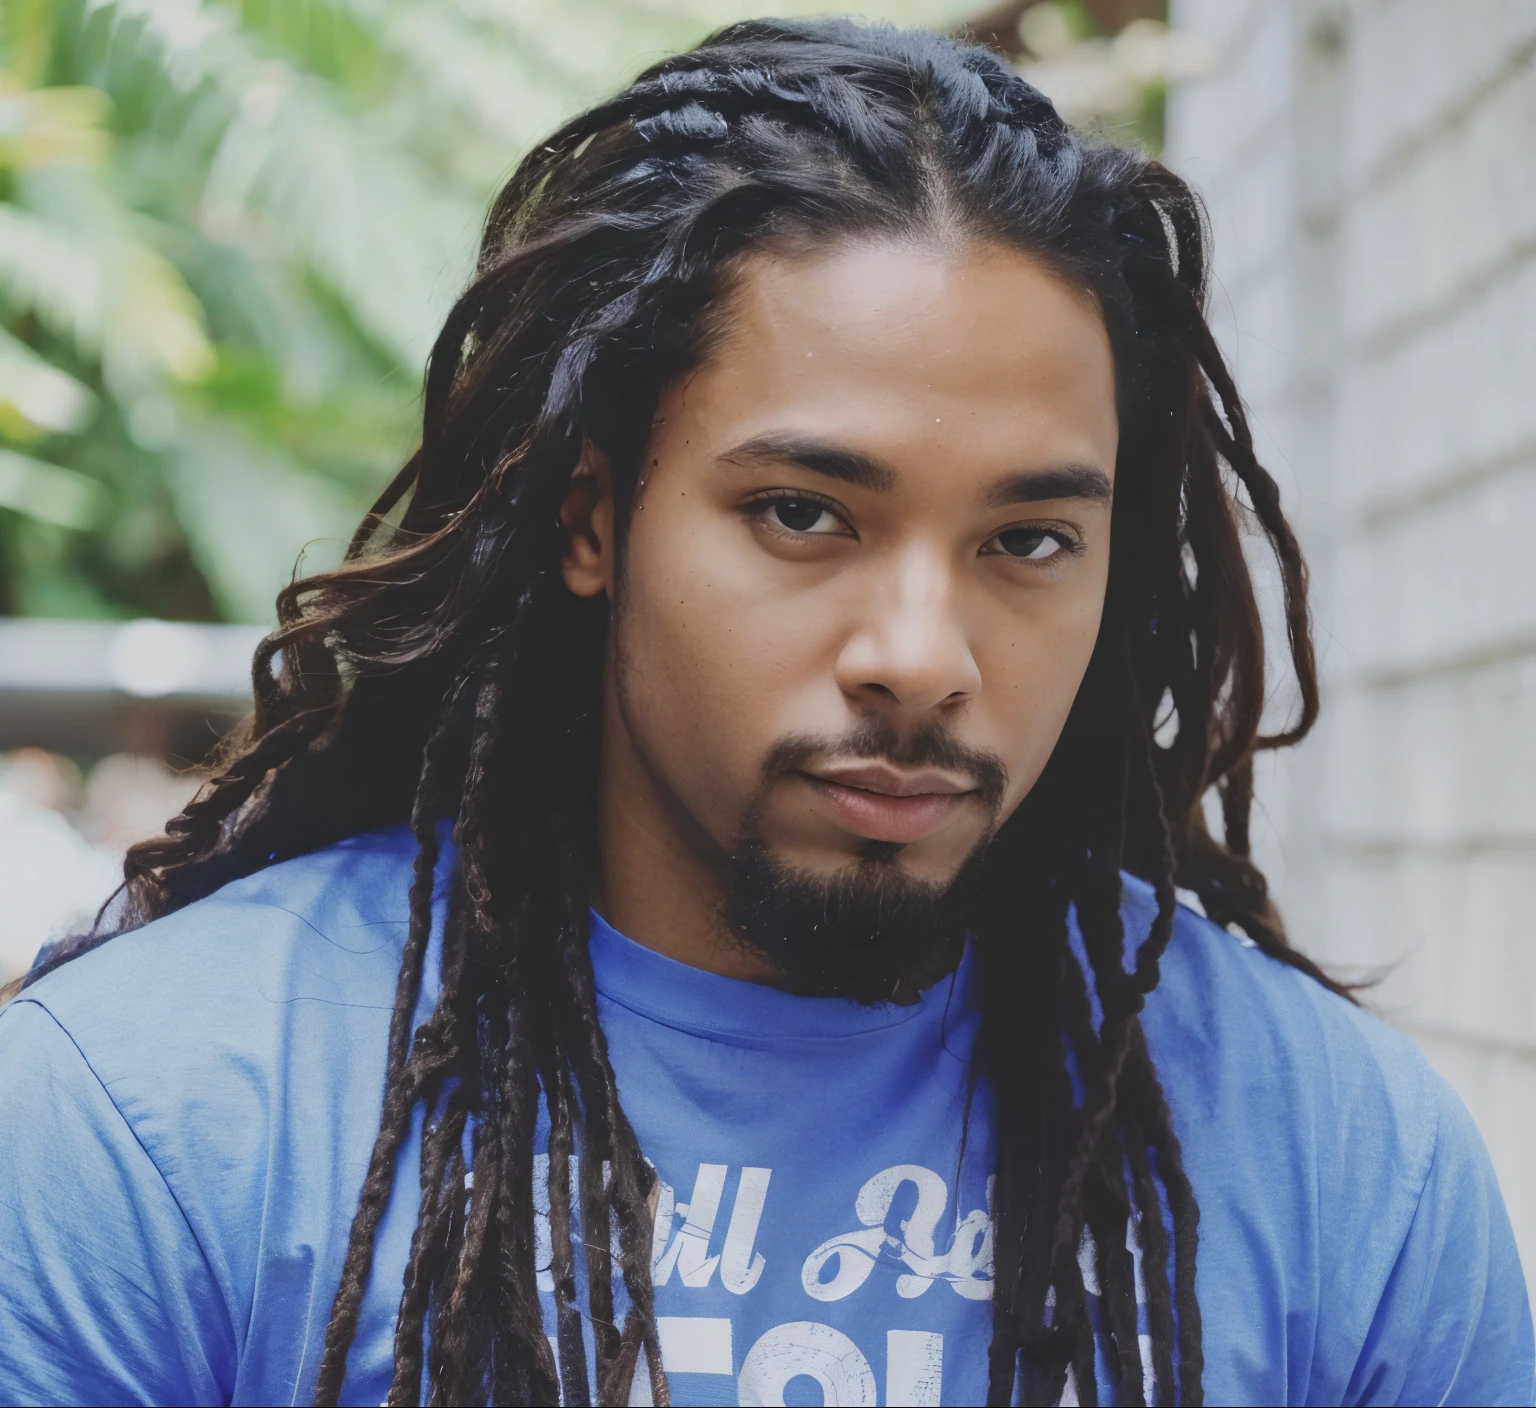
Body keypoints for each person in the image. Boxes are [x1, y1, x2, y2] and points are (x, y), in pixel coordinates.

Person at [0, 19, 1528, 1408]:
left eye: (1029, 541)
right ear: (592, 520)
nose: (922, 656)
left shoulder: (1343, 1171)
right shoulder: (156, 1126)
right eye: (804, 513)